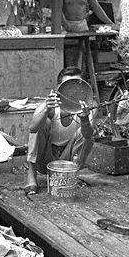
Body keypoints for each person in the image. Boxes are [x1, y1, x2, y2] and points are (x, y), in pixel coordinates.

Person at [24, 67, 95, 195]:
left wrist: (84, 119)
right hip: (45, 158)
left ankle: (70, 176)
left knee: (86, 133)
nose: (72, 91)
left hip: (68, 160)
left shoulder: (86, 106)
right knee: (41, 122)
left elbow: (88, 136)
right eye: (68, 86)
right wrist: (46, 109)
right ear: (59, 89)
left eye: (76, 86)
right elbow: (32, 128)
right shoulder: (50, 106)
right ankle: (31, 175)